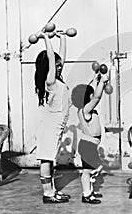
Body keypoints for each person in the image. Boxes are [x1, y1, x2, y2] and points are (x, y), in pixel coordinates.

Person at [34, 31, 72, 203]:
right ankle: (47, 193)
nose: (58, 67)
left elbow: (59, 58)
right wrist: (46, 38)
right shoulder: (50, 82)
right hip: (49, 127)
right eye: (55, 65)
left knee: (51, 160)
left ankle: (53, 191)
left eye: (59, 65)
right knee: (46, 159)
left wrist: (62, 37)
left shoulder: (57, 79)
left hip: (56, 126)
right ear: (48, 67)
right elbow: (51, 57)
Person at [71, 71, 108, 204]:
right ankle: (86, 194)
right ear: (87, 97)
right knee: (88, 171)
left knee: (92, 169)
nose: (93, 95)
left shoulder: (84, 109)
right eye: (91, 93)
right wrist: (102, 82)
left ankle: (90, 192)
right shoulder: (86, 110)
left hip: (89, 145)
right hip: (87, 146)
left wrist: (95, 80)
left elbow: (92, 93)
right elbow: (97, 97)